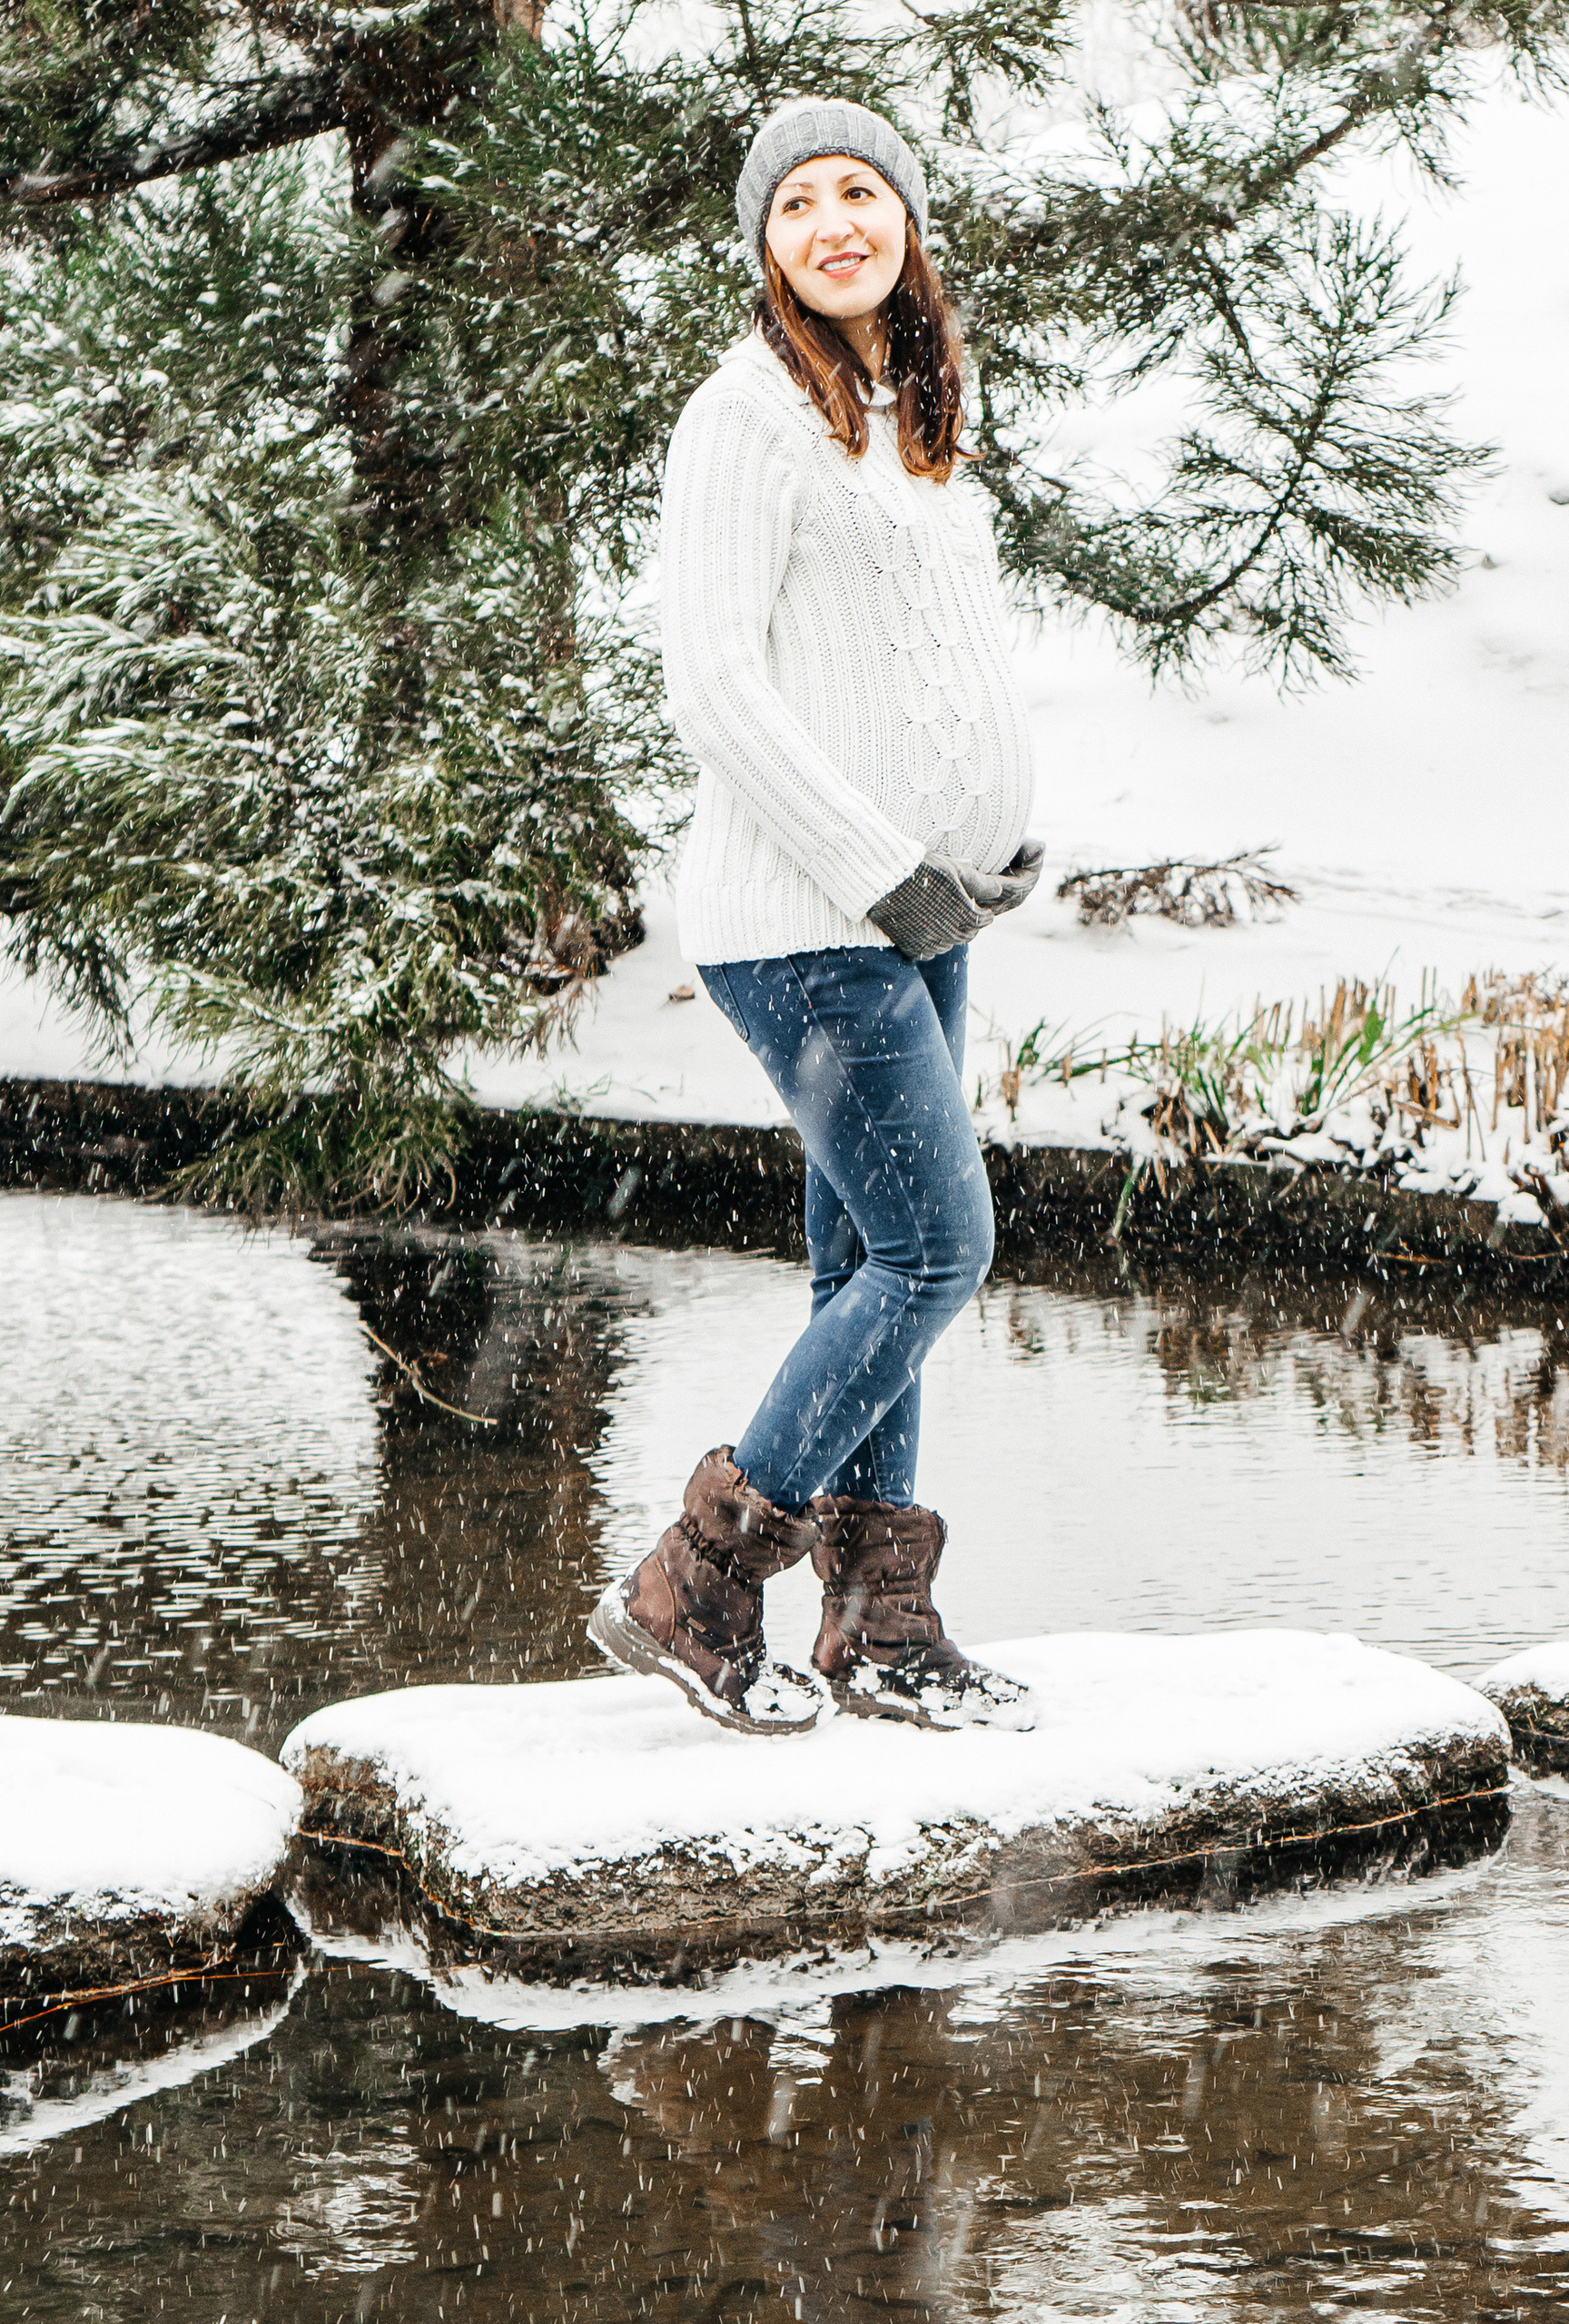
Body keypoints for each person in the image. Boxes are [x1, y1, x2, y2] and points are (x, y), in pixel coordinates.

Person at [590, 98, 1041, 1738]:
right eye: (800, 205)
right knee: (937, 1250)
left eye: (865, 191)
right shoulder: (749, 415)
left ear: (908, 222)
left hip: (923, 911)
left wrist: (993, 835)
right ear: (766, 245)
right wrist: (883, 868)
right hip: (807, 921)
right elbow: (714, 686)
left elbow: (926, 671)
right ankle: (701, 1578)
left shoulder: (904, 414)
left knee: (868, 1257)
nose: (837, 222)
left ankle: (882, 1625)